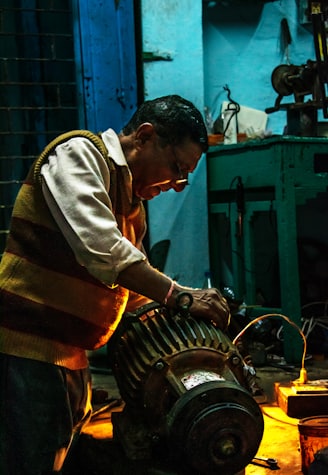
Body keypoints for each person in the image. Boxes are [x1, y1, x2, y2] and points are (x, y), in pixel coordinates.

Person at [0, 94, 230, 475]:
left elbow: (131, 286)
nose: (177, 185)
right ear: (144, 136)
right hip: (25, 350)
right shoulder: (79, 154)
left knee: (52, 455)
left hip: (68, 357)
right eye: (176, 167)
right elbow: (103, 250)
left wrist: (186, 321)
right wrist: (181, 296)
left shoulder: (129, 201)